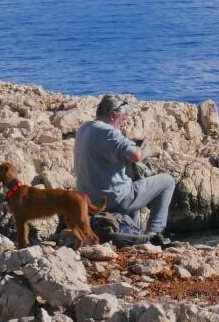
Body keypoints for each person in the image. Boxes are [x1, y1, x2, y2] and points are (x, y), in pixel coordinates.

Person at [73, 94, 176, 239]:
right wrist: (138, 146)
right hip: (113, 200)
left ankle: (132, 231)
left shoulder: (85, 128)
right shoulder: (109, 132)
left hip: (90, 200)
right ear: (114, 115)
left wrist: (126, 142)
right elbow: (136, 156)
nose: (124, 124)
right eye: (123, 120)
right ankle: (155, 233)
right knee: (167, 181)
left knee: (130, 180)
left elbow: (106, 147)